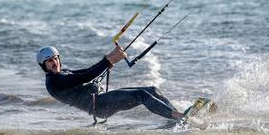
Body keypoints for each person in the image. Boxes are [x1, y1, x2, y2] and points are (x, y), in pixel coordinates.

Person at [36, 45, 197, 123]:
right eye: (50, 61)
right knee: (140, 95)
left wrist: (109, 57)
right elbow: (86, 77)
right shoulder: (54, 81)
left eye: (56, 58)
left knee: (151, 90)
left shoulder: (62, 72)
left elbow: (87, 70)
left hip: (101, 98)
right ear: (44, 65)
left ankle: (175, 116)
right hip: (98, 106)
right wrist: (108, 61)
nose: (55, 62)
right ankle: (181, 118)